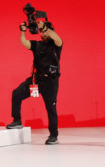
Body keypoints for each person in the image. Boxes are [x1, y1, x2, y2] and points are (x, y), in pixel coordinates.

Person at [7, 17, 63, 145]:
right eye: (41, 32)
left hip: (50, 82)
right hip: (36, 80)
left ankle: (53, 136)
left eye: (45, 31)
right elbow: (24, 43)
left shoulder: (56, 45)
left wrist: (45, 28)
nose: (43, 33)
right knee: (16, 93)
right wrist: (22, 31)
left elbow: (57, 38)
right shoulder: (38, 44)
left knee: (51, 108)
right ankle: (17, 120)